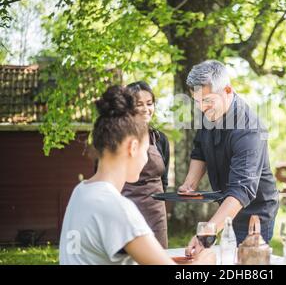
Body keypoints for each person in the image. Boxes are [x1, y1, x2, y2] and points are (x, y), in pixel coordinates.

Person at [59, 85, 215, 265]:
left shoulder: (81, 192)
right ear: (133, 147)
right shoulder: (117, 208)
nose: (145, 159)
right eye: (145, 149)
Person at [178, 60, 279, 257]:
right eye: (197, 102)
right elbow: (200, 150)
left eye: (207, 101)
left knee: (247, 266)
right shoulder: (209, 114)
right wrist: (190, 183)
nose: (202, 109)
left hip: (254, 214)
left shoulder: (250, 129)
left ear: (227, 90)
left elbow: (242, 189)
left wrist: (206, 232)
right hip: (226, 207)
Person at [122, 81, 170, 248]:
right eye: (139, 104)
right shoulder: (118, 139)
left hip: (156, 211)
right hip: (126, 208)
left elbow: (164, 180)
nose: (145, 109)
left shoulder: (160, 139)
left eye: (149, 104)